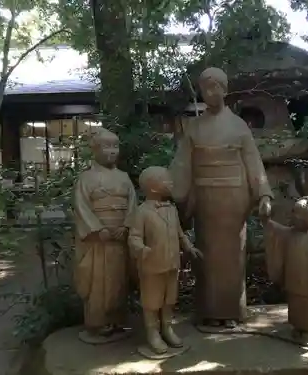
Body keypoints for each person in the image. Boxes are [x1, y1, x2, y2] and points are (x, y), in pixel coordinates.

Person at [170, 67, 274, 328]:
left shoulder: (238, 126)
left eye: (216, 87)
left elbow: (253, 161)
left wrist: (263, 193)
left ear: (225, 90)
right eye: (206, 88)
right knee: (207, 255)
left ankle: (232, 311)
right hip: (205, 200)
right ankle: (208, 311)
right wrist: (170, 189)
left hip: (233, 199)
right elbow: (182, 164)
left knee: (233, 256)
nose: (211, 92)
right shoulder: (193, 127)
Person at [73, 128, 137, 342]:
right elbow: (81, 207)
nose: (112, 151)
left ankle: (118, 320)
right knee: (98, 282)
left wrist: (127, 226)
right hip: (98, 239)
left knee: (118, 280)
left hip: (119, 237)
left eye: (115, 146)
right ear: (94, 150)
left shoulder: (124, 177)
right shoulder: (86, 178)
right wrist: (97, 229)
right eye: (106, 146)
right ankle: (98, 323)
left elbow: (132, 205)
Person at [129, 166, 202, 354]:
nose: (171, 183)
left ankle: (167, 328)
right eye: (167, 180)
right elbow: (134, 237)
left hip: (171, 264)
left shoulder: (172, 209)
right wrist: (143, 250)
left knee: (170, 299)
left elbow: (179, 234)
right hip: (151, 266)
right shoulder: (142, 212)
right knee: (152, 301)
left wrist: (189, 247)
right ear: (153, 187)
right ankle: (152, 332)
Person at [263, 194, 308, 342]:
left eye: (298, 218)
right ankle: (298, 328)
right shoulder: (291, 233)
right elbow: (278, 231)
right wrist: (267, 222)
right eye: (294, 216)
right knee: (296, 307)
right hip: (294, 281)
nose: (293, 219)